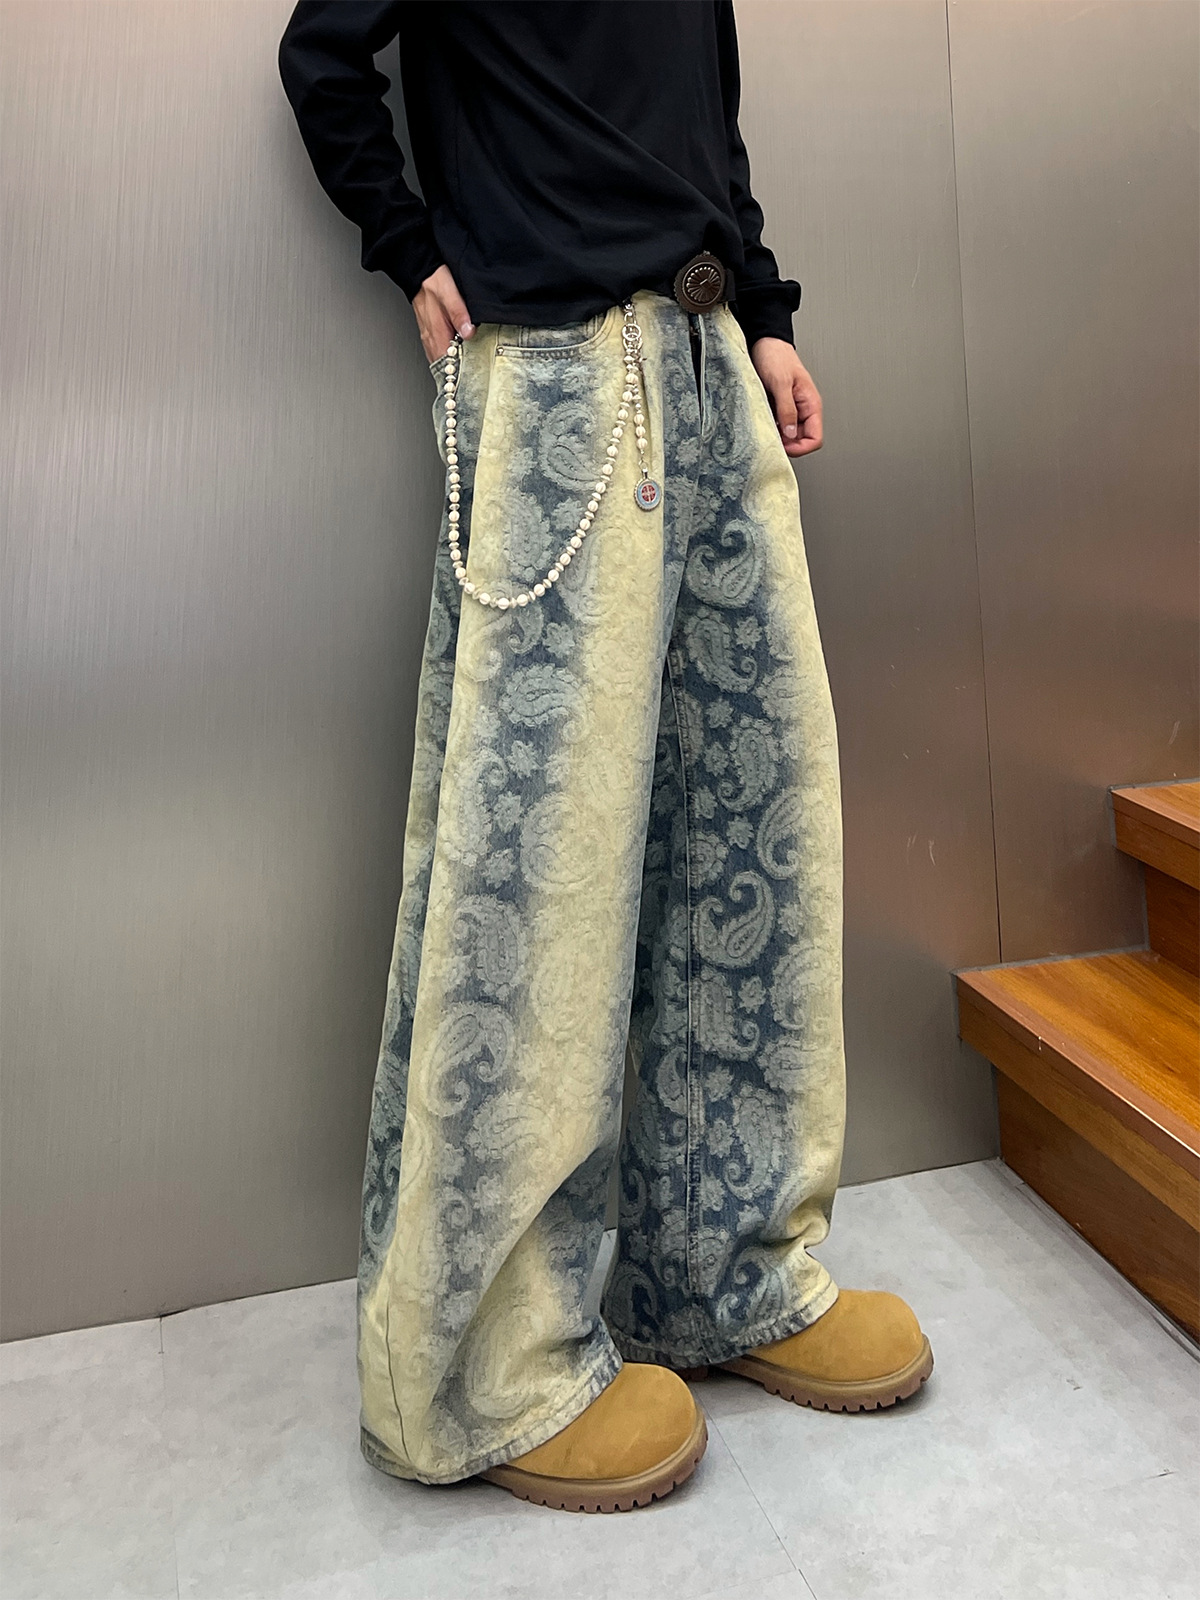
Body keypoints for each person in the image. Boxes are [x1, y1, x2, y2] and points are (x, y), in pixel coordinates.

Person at [278, 0, 933, 1515]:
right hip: (559, 379)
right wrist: (409, 245)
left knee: (753, 841)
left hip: (711, 367)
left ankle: (729, 1273)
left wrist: (765, 314)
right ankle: (483, 1366)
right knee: (539, 883)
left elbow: (709, 124)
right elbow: (323, 55)